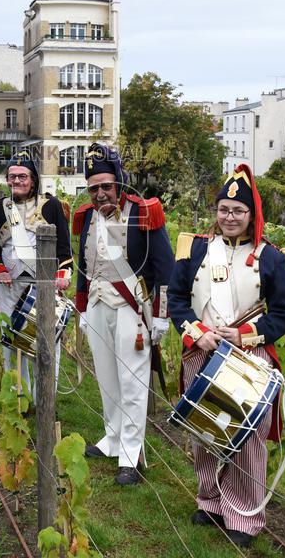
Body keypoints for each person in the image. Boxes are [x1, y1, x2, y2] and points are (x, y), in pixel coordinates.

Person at [167, 164, 285, 547]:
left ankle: (243, 514)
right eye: (224, 209)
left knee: (247, 437)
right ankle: (210, 501)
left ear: (251, 214)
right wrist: (197, 332)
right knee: (204, 433)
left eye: (238, 211)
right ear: (216, 212)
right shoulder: (196, 248)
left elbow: (283, 315)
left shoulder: (271, 257)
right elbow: (177, 300)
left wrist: (243, 336)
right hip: (201, 353)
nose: (230, 217)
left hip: (248, 361)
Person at [73, 143, 174, 486]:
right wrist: (83, 307)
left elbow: (163, 269)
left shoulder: (145, 212)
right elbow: (84, 267)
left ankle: (131, 455)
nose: (100, 194)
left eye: (106, 186)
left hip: (132, 308)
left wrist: (160, 316)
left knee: (132, 383)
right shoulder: (86, 216)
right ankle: (113, 437)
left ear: (119, 183)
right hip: (99, 304)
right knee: (106, 378)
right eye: (94, 188)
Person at [0, 151, 72, 402]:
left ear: (33, 179)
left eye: (22, 176)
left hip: (43, 285)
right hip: (10, 285)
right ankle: (17, 398)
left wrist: (62, 275)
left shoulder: (51, 205)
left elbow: (65, 250)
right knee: (10, 341)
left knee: (46, 342)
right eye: (12, 177)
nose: (17, 181)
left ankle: (43, 398)